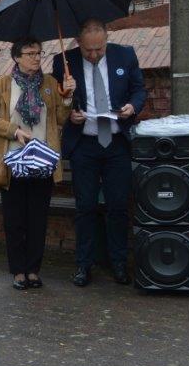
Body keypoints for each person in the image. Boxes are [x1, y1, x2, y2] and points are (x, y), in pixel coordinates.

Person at [52, 17, 147, 287]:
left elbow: (139, 90)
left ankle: (118, 263)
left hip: (117, 144)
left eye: (99, 49)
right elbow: (59, 101)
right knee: (85, 207)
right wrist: (71, 112)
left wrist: (132, 106)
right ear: (78, 42)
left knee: (118, 206)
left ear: (106, 39)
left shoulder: (125, 55)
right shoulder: (64, 62)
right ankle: (84, 264)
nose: (94, 55)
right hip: (85, 145)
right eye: (88, 50)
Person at [0, 39, 75, 289]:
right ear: (16, 57)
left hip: (42, 161)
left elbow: (62, 119)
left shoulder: (50, 84)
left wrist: (68, 97)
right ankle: (18, 271)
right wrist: (14, 130)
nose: (36, 58)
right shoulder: (1, 85)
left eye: (39, 53)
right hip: (13, 161)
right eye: (30, 53)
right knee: (14, 219)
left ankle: (33, 270)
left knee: (38, 219)